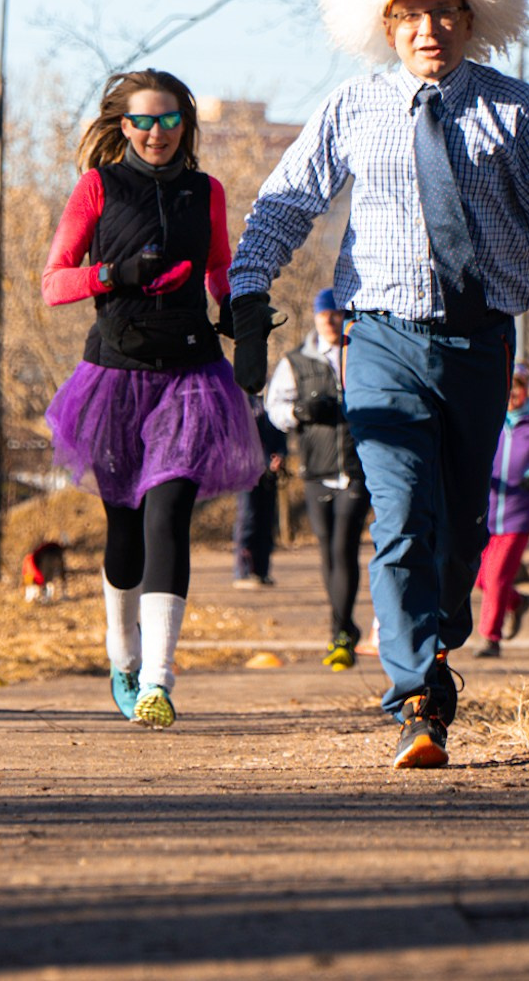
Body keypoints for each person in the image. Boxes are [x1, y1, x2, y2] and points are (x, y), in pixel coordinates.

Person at [228, 0, 529, 768]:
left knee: (460, 527)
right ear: (384, 26)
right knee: (397, 518)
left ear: (474, 21)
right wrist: (249, 289)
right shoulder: (351, 108)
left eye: (446, 13)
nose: (429, 29)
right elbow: (285, 202)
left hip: (479, 342)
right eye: (410, 15)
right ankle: (417, 698)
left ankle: (440, 627)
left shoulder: (518, 112)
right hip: (381, 339)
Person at [42, 69, 266, 730]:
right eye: (142, 120)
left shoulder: (207, 191)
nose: (156, 132)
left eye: (169, 121)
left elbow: (222, 268)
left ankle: (159, 682)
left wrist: (241, 316)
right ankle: (124, 659)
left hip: (191, 372)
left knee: (168, 509)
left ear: (185, 126)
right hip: (114, 375)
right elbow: (53, 284)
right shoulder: (99, 187)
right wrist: (114, 274)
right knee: (124, 525)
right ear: (122, 125)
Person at [264, 288, 373, 669]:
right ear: (315, 317)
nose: (329, 320)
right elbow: (274, 407)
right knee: (327, 548)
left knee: (344, 546)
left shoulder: (361, 353)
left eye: (335, 314)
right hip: (316, 467)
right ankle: (343, 627)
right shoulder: (297, 361)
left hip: (357, 467)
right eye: (324, 314)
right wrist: (300, 411)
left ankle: (339, 631)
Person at [475, 362, 529, 658]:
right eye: (509, 386)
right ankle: (517, 602)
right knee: (478, 578)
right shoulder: (488, 417)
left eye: (519, 386)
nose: (513, 392)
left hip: (518, 514)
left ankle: (491, 638)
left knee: (498, 576)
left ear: (527, 389)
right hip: (485, 513)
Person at [233, 404, 287, 588]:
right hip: (246, 471)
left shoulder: (272, 399)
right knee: (248, 519)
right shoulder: (242, 398)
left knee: (267, 520)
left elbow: (281, 427)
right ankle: (244, 572)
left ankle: (262, 571)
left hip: (269, 473)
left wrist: (280, 454)